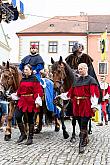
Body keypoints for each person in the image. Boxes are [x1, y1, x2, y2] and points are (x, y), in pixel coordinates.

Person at [56, 63, 100, 154]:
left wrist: (94, 105)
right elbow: (70, 94)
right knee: (80, 124)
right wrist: (60, 96)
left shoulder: (91, 80)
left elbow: (94, 94)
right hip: (77, 105)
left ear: (86, 69)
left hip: (86, 105)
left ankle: (81, 144)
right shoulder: (76, 81)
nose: (80, 70)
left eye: (81, 69)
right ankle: (85, 138)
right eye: (79, 69)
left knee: (84, 123)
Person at [12, 64, 43, 145]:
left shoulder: (35, 79)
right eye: (24, 70)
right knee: (18, 116)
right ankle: (23, 134)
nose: (24, 71)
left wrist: (37, 101)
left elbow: (38, 91)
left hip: (30, 101)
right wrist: (14, 96)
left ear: (31, 70)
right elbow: (19, 91)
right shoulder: (22, 80)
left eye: (26, 69)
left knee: (30, 119)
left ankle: (30, 137)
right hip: (22, 101)